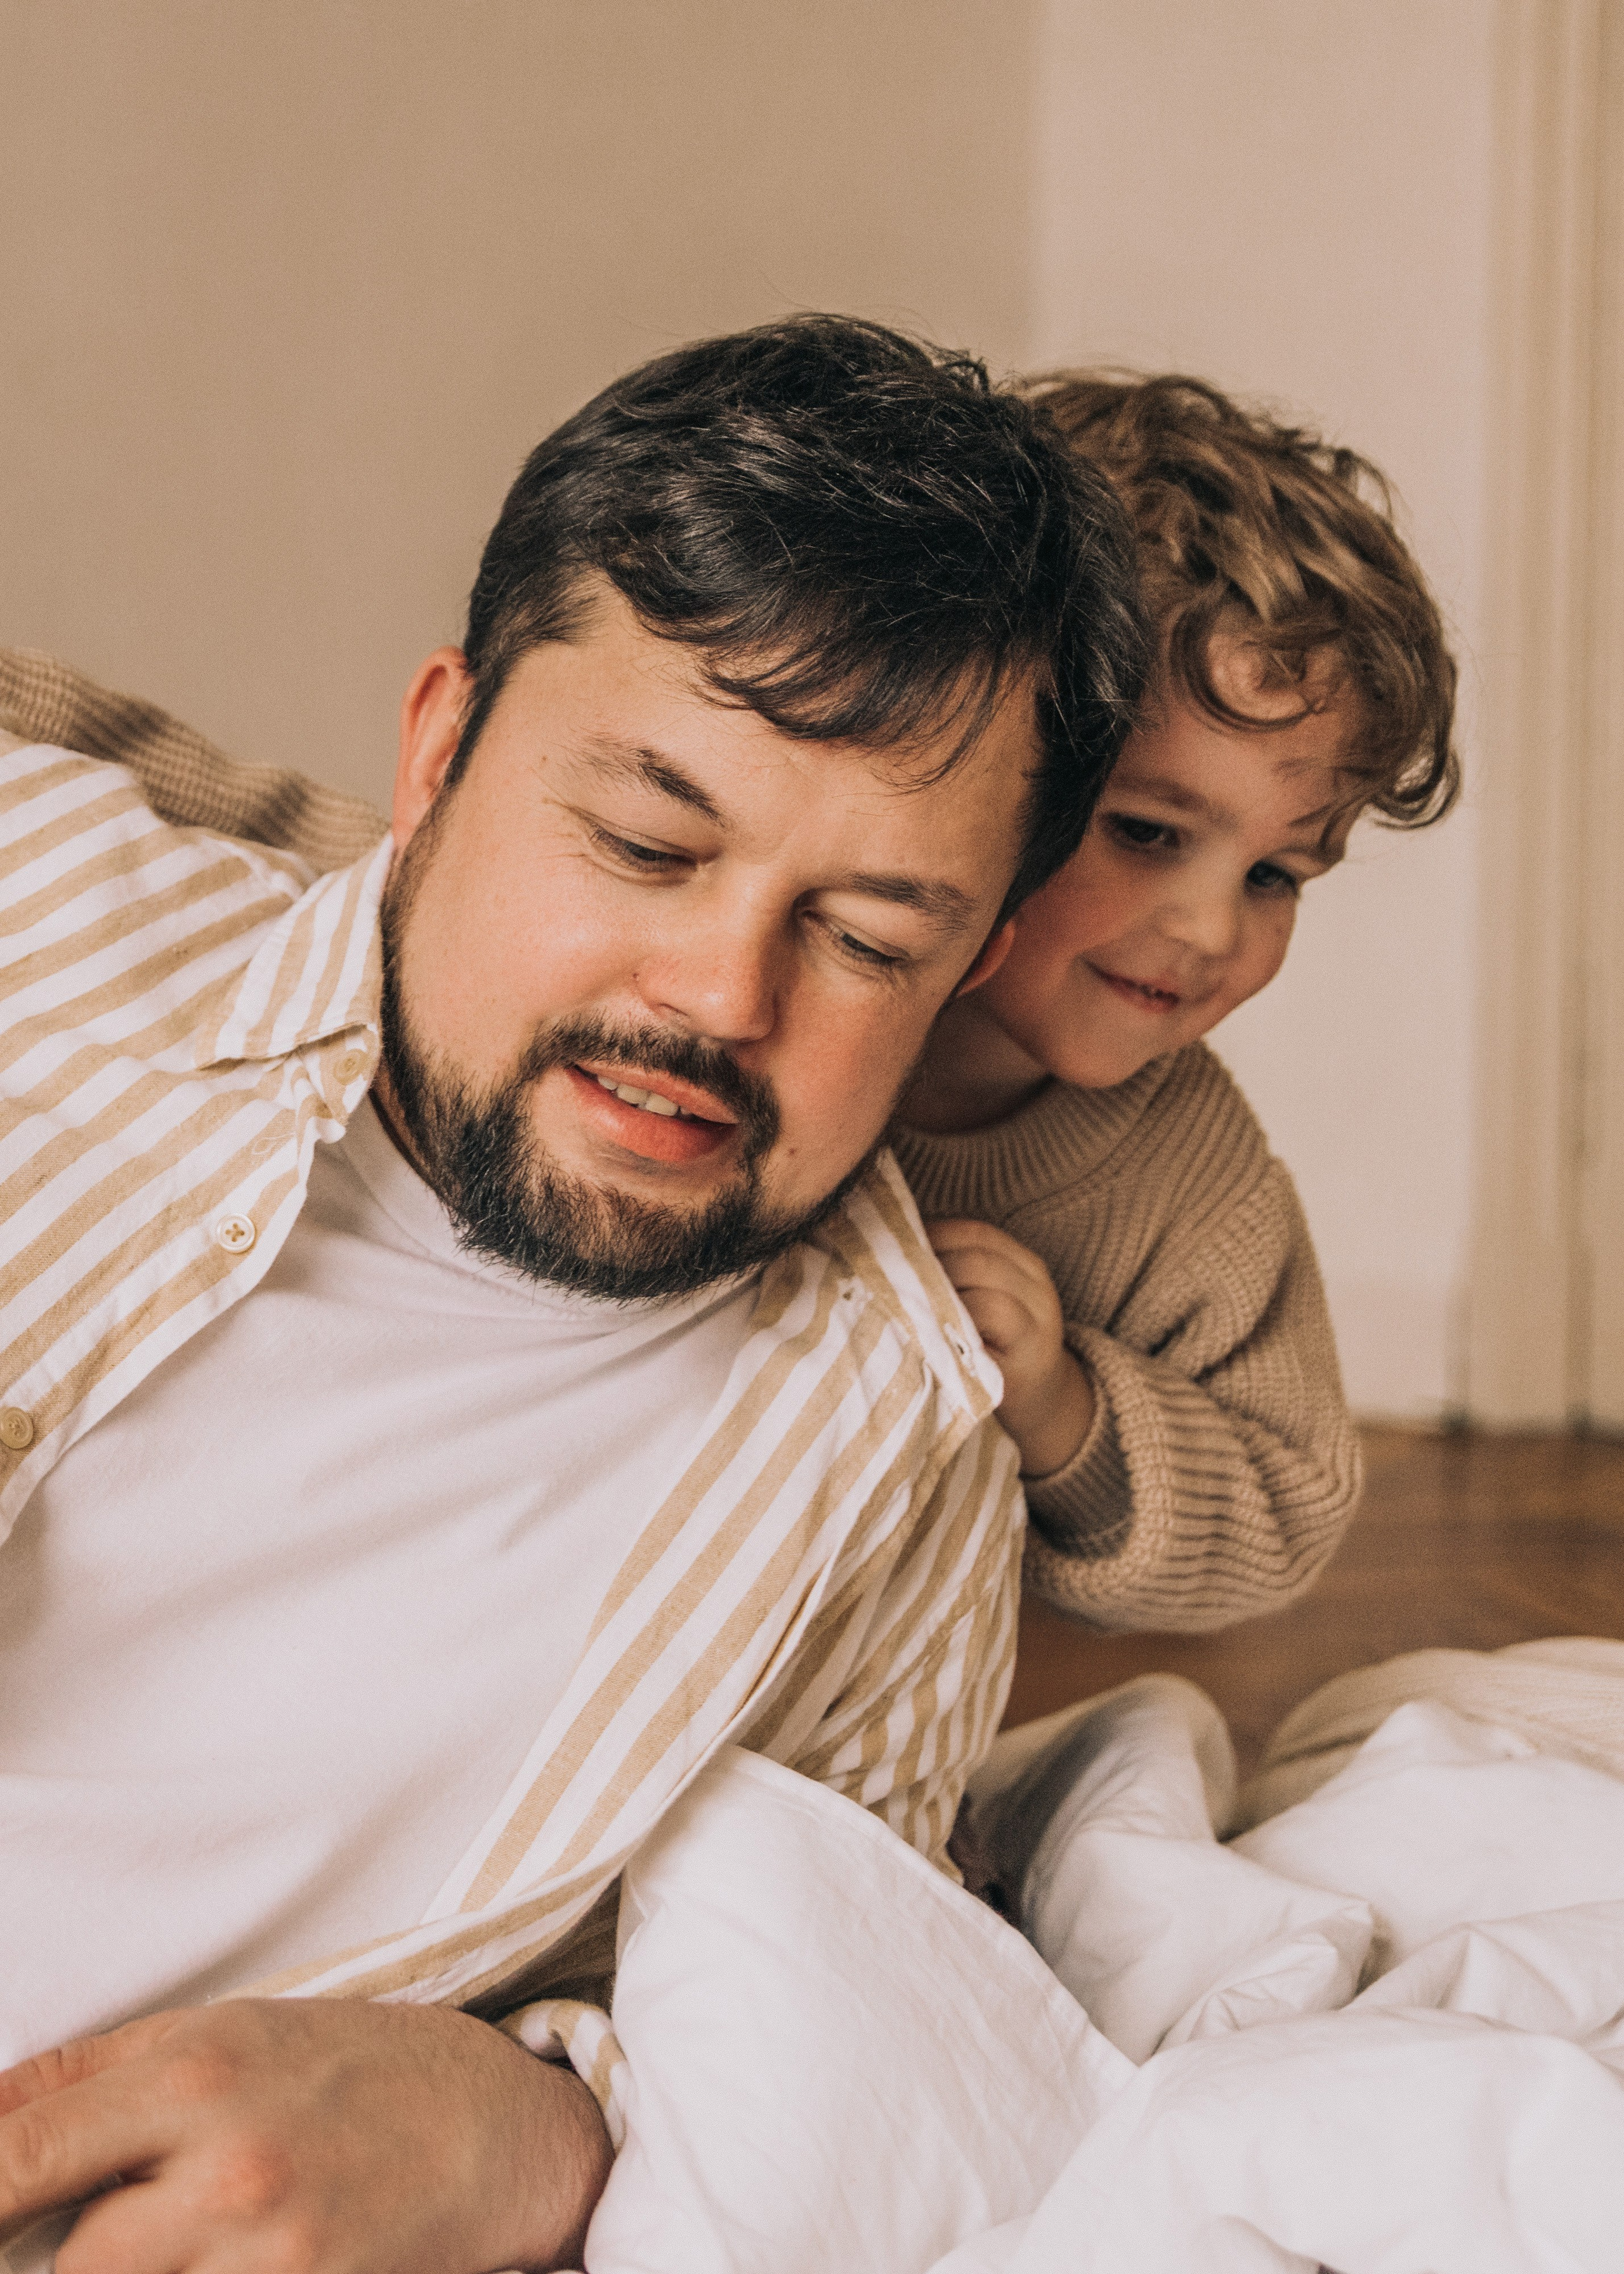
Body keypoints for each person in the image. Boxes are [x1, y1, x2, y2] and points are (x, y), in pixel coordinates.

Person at [0, 317, 1143, 2273]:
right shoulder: (44, 919)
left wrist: (536, 2130)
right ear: (438, 748)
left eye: (870, 938)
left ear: (977, 961)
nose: (719, 996)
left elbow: (834, 2049)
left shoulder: (893, 1459)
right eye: (644, 843)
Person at [904, 372, 1459, 1633]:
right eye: (1146, 831)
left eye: (1274, 873)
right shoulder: (775, 994)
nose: (1212, 929)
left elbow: (1282, 1507)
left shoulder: (1192, 1184)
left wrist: (1060, 1408)